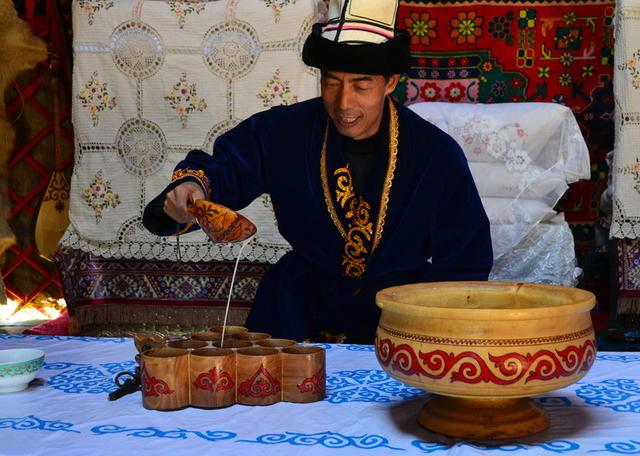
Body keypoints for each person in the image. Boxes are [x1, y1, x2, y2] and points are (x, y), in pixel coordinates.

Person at [143, 0, 493, 344]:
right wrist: (191, 188)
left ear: (390, 83)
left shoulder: (435, 154)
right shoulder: (284, 131)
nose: (344, 103)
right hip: (294, 311)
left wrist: (438, 339)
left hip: (395, 321)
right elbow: (223, 170)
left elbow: (464, 263)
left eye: (361, 85)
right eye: (331, 82)